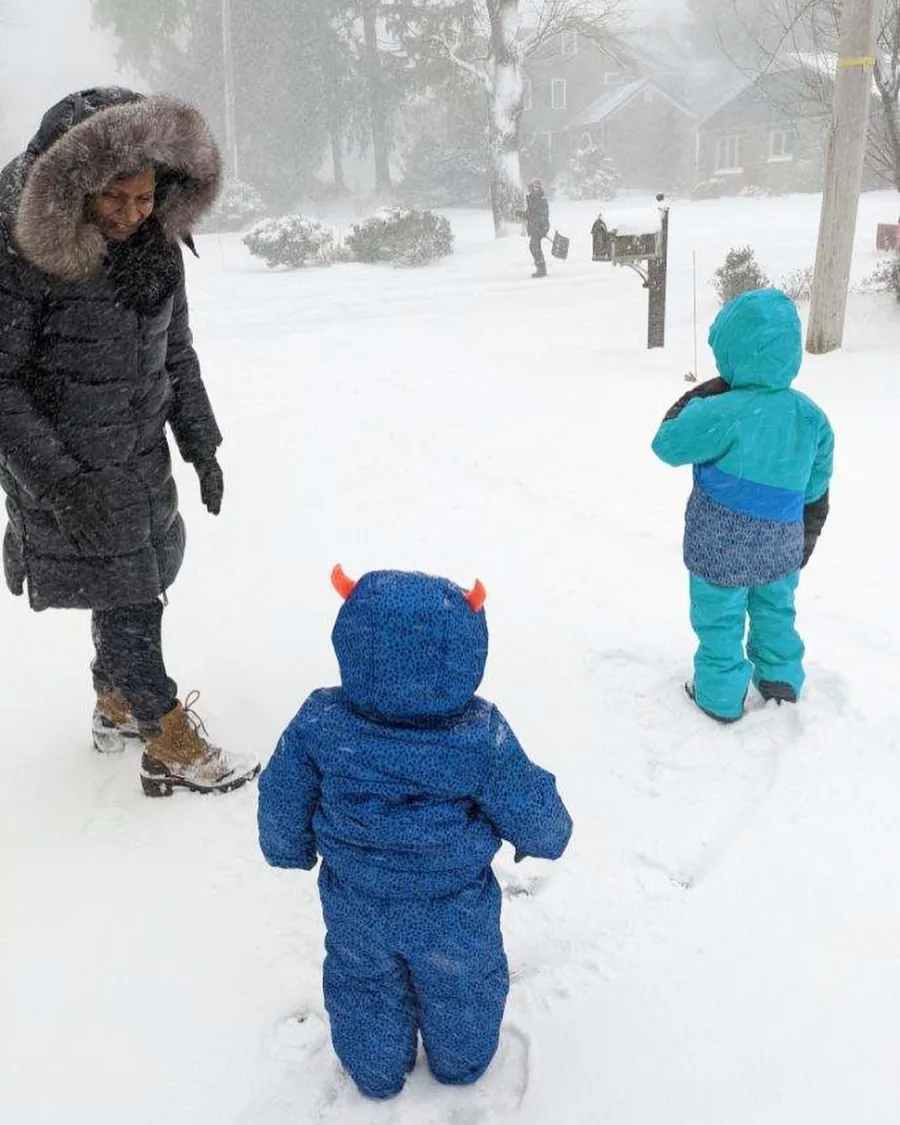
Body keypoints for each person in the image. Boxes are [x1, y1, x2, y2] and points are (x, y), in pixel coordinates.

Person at [0, 87, 259, 796]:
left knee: (136, 581)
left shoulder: (157, 251)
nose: (129, 215)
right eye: (113, 200)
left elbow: (175, 353)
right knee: (131, 599)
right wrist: (56, 482)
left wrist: (201, 444)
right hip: (70, 464)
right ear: (78, 191)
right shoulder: (28, 261)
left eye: (144, 199)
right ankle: (165, 734)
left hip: (139, 456)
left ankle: (116, 705)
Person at [257, 567, 572, 1100]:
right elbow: (530, 803)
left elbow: (283, 790)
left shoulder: (321, 723)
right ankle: (462, 1061)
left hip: (355, 897)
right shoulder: (479, 737)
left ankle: (375, 1072)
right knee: (461, 984)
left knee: (364, 981)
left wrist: (288, 847)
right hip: (451, 907)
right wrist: (548, 834)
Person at [651, 289, 834, 723]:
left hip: (721, 546)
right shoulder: (811, 417)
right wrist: (805, 536)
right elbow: (816, 489)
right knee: (775, 611)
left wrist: (706, 392)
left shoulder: (722, 410)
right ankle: (780, 679)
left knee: (719, 620)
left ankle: (718, 696)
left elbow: (667, 442)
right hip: (781, 543)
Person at [524, 178, 550, 278]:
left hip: (540, 227)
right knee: (534, 247)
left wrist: (539, 225)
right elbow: (530, 211)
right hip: (534, 226)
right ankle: (541, 268)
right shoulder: (532, 198)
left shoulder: (541, 199)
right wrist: (524, 214)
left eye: (537, 187)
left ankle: (541, 269)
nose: (535, 188)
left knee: (534, 247)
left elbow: (543, 214)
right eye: (534, 186)